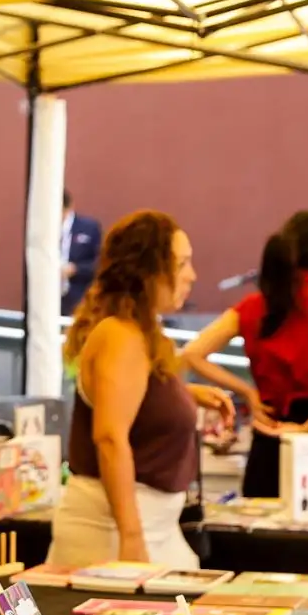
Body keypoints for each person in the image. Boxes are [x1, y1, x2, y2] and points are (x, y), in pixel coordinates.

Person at [49, 211, 233, 569]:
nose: (192, 275)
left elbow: (133, 398)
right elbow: (110, 438)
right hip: (115, 532)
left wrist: (183, 396)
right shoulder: (121, 336)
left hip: (148, 526)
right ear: (149, 271)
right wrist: (131, 540)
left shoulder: (140, 334)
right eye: (181, 264)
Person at [183, 210, 308, 496]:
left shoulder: (253, 307)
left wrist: (248, 393)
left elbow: (192, 354)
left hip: (270, 439)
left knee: (266, 522)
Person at [60, 190, 103, 315]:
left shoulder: (89, 228)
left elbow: (100, 263)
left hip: (79, 300)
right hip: (49, 299)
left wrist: (75, 269)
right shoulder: (44, 230)